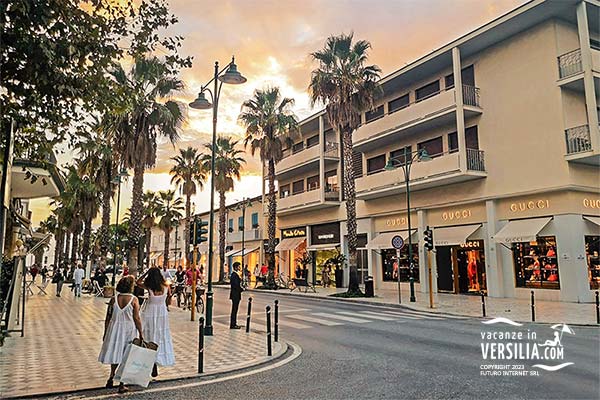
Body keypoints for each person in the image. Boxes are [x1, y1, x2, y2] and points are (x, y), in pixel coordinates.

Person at [98, 276, 144, 394]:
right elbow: (137, 318)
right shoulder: (134, 300)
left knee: (116, 353)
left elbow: (108, 317)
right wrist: (141, 332)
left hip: (115, 329)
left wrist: (105, 332)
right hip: (128, 330)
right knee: (126, 355)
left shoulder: (114, 299)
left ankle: (111, 376)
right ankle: (122, 383)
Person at [137, 268, 175, 377]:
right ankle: (156, 361)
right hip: (162, 313)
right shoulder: (165, 286)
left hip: (150, 312)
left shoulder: (149, 287)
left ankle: (151, 362)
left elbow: (138, 282)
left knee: (148, 336)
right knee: (159, 336)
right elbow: (169, 300)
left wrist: (145, 273)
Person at [229, 262, 243, 329]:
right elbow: (235, 285)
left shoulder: (234, 275)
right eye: (239, 267)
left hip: (235, 294)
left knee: (235, 309)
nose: (239, 268)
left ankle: (234, 323)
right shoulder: (234, 275)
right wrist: (241, 289)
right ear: (236, 267)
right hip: (235, 295)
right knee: (234, 310)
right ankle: (233, 324)